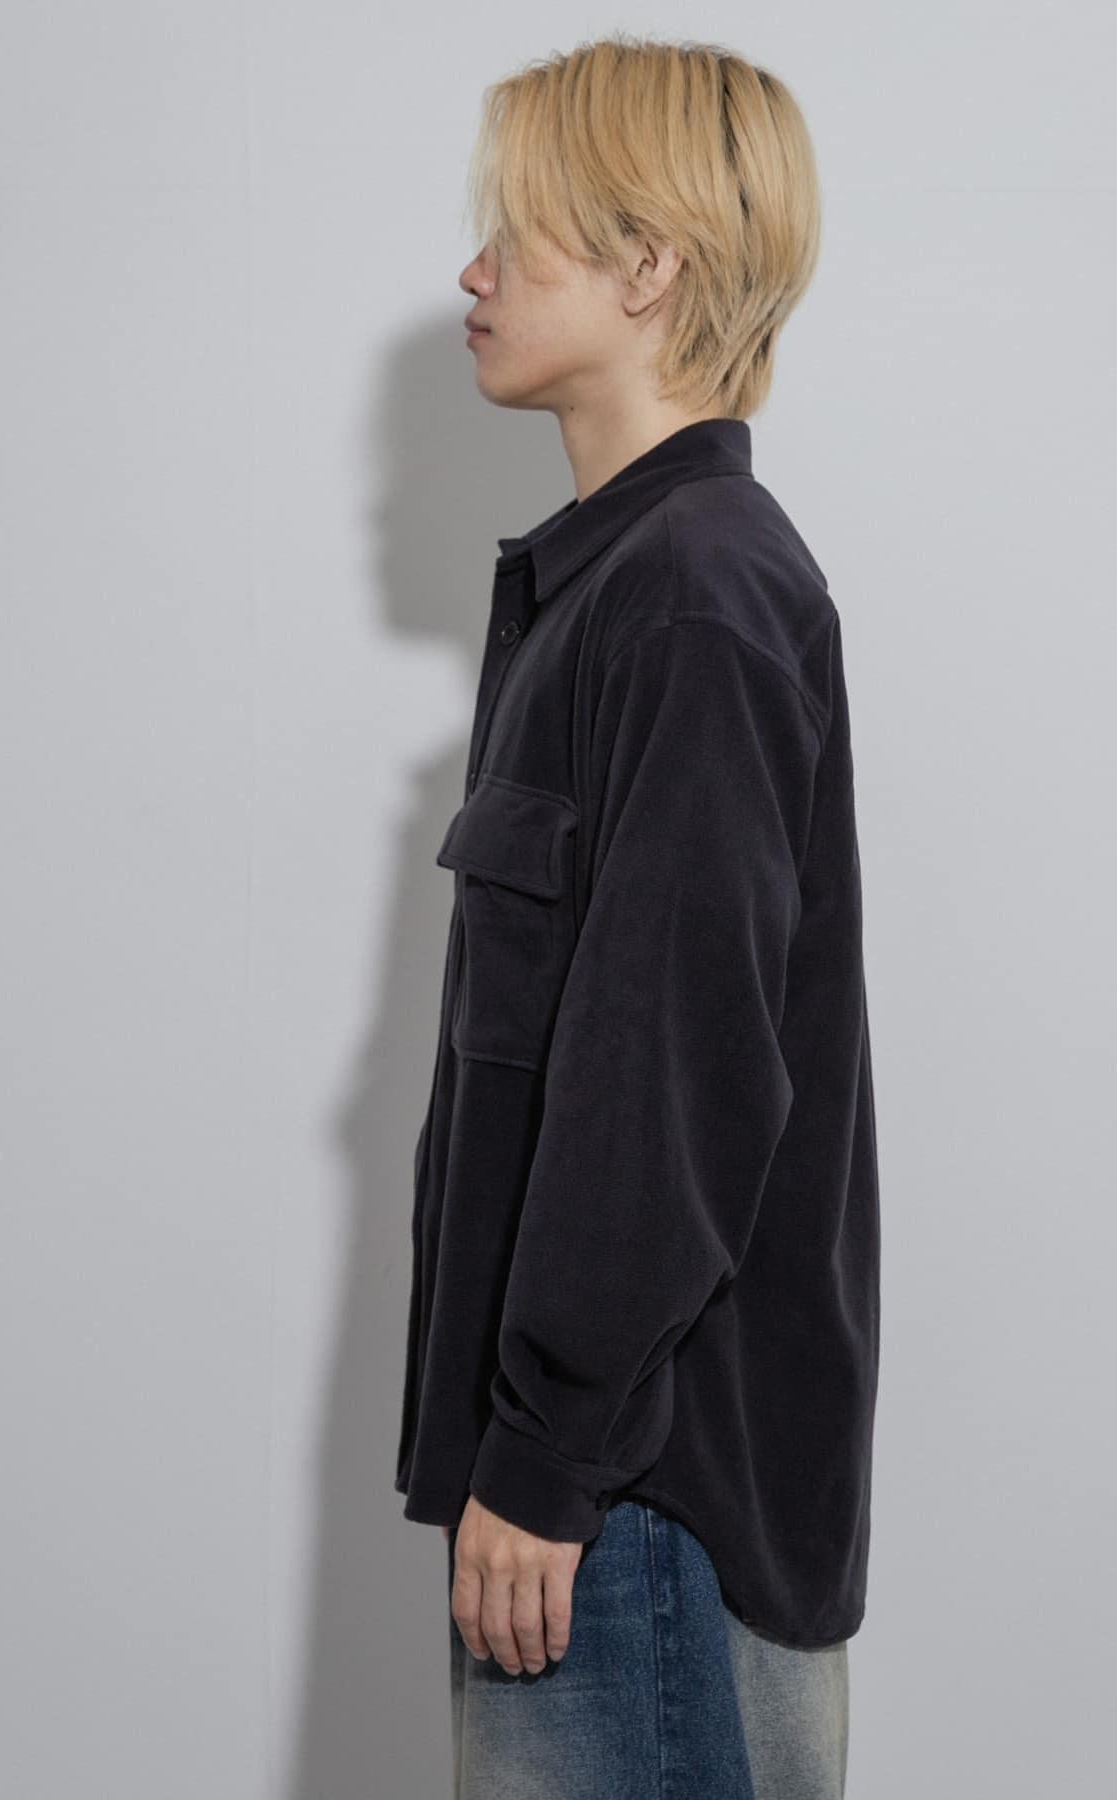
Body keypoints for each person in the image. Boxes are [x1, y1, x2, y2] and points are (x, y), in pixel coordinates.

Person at [394, 31, 880, 1799]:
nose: (473, 273)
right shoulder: (623, 587)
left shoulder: (691, 598)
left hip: (633, 1510)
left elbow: (673, 1073)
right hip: (602, 1495)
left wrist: (545, 1451)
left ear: (647, 263)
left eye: (512, 230)